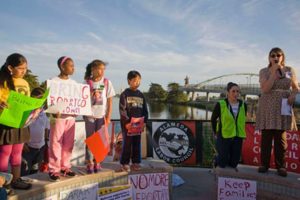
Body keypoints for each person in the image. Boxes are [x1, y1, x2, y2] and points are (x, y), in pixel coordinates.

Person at [256, 47, 299, 177]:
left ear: (282, 57)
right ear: (269, 58)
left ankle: (281, 166)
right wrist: (273, 74)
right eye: (273, 55)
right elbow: (265, 89)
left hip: (283, 106)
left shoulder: (289, 70)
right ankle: (264, 164)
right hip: (267, 106)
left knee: (281, 138)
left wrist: (293, 94)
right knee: (266, 138)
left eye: (278, 55)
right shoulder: (264, 71)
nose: (276, 57)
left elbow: (296, 87)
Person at [0, 53, 32, 190]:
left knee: (17, 153)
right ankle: (2, 183)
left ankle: (16, 180)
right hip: (7, 123)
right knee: (5, 153)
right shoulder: (3, 81)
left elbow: (28, 102)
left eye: (25, 68)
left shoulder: (25, 83)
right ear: (10, 68)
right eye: (20, 68)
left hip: (21, 123)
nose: (24, 71)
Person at [83, 60, 115, 173]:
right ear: (93, 69)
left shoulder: (106, 82)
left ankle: (98, 162)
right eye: (99, 69)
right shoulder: (86, 83)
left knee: (100, 141)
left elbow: (110, 101)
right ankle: (89, 162)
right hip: (89, 116)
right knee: (90, 139)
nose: (102, 71)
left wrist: (108, 117)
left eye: (103, 69)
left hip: (101, 116)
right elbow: (82, 100)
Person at [48, 56, 76, 181]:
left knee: (68, 144)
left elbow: (78, 100)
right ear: (62, 66)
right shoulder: (53, 81)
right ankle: (54, 169)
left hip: (71, 117)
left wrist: (77, 110)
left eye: (73, 65)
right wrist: (53, 111)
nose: (73, 68)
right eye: (70, 65)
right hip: (58, 117)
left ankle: (65, 167)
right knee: (55, 143)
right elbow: (48, 100)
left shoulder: (74, 84)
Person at [211, 82, 247, 169]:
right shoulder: (221, 104)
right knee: (222, 163)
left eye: (238, 91)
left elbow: (242, 120)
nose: (236, 94)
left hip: (238, 135)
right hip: (224, 134)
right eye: (233, 91)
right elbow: (213, 119)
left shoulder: (243, 105)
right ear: (228, 92)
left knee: (234, 163)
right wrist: (215, 132)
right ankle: (216, 159)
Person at [119, 70, 148, 172]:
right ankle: (125, 163)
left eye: (139, 81)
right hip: (128, 126)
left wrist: (145, 122)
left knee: (137, 144)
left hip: (138, 124)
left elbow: (145, 110)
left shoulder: (141, 95)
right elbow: (122, 110)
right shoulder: (124, 94)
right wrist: (126, 123)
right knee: (127, 144)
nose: (137, 82)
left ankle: (136, 162)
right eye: (135, 80)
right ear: (129, 81)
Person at [21, 87, 50, 176]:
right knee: (25, 170)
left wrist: (45, 143)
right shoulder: (27, 112)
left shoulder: (43, 114)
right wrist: (23, 144)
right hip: (28, 148)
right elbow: (22, 128)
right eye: (36, 100)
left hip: (40, 148)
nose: (39, 103)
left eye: (41, 100)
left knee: (35, 170)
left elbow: (46, 129)